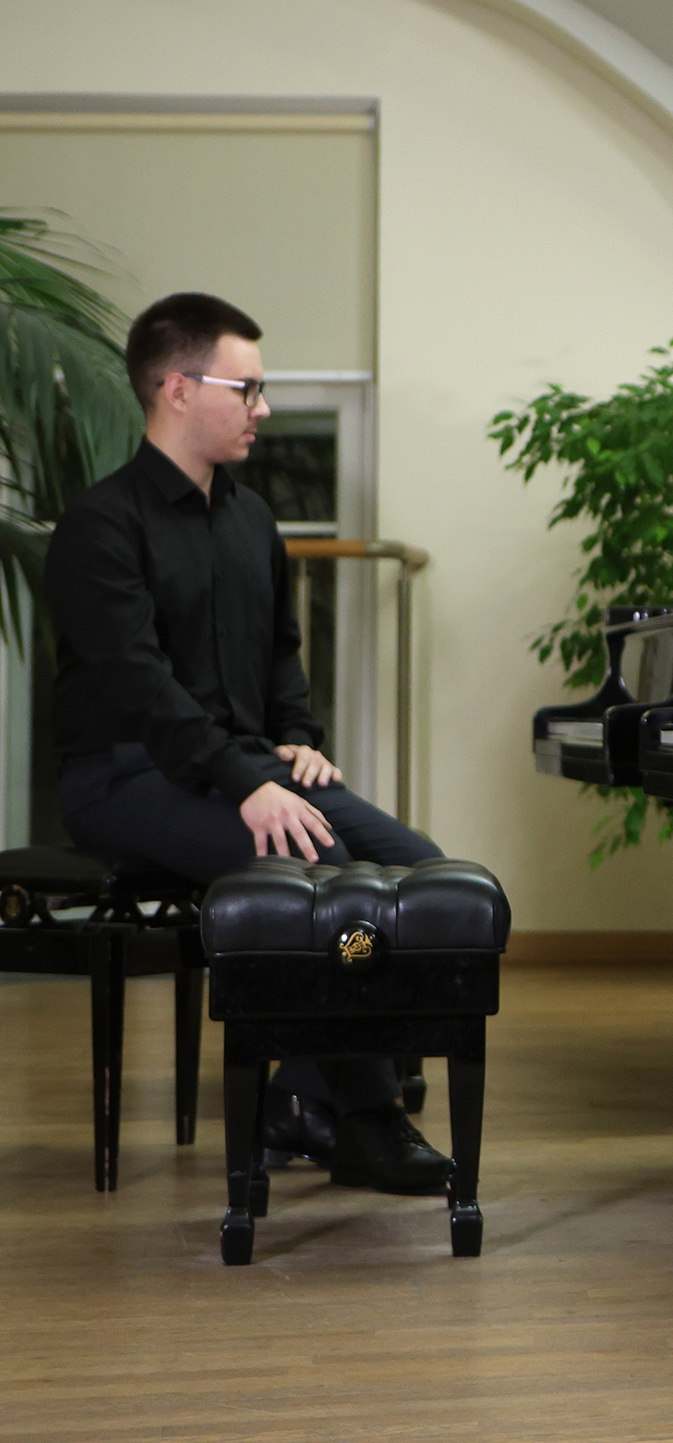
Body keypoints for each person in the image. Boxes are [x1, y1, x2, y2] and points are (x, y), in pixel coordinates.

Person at [45, 291, 455, 1194]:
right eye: (250, 389)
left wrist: (298, 740)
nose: (263, 409)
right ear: (178, 389)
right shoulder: (101, 526)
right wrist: (246, 782)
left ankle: (301, 1090)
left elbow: (279, 657)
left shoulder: (252, 520)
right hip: (123, 777)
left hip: (241, 766)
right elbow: (143, 690)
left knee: (422, 870)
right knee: (328, 871)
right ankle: (367, 1117)